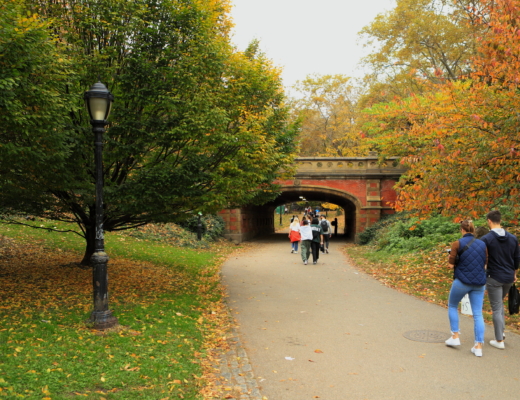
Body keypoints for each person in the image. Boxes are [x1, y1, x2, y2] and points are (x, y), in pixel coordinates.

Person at [445, 220, 487, 357]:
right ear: (473, 230)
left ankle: (455, 337)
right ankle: (478, 346)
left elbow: (450, 265)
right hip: (480, 282)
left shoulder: (457, 243)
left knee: (452, 305)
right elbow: (485, 264)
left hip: (462, 281)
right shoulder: (483, 244)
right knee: (478, 314)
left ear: (462, 230)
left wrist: (452, 260)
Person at [480, 210, 520, 349]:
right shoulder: (513, 238)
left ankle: (499, 340)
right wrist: (514, 273)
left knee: (496, 307)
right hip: (509, 277)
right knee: (499, 304)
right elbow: (516, 259)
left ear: (489, 221)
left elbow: (482, 258)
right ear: (500, 220)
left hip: (494, 277)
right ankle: (501, 333)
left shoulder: (486, 239)